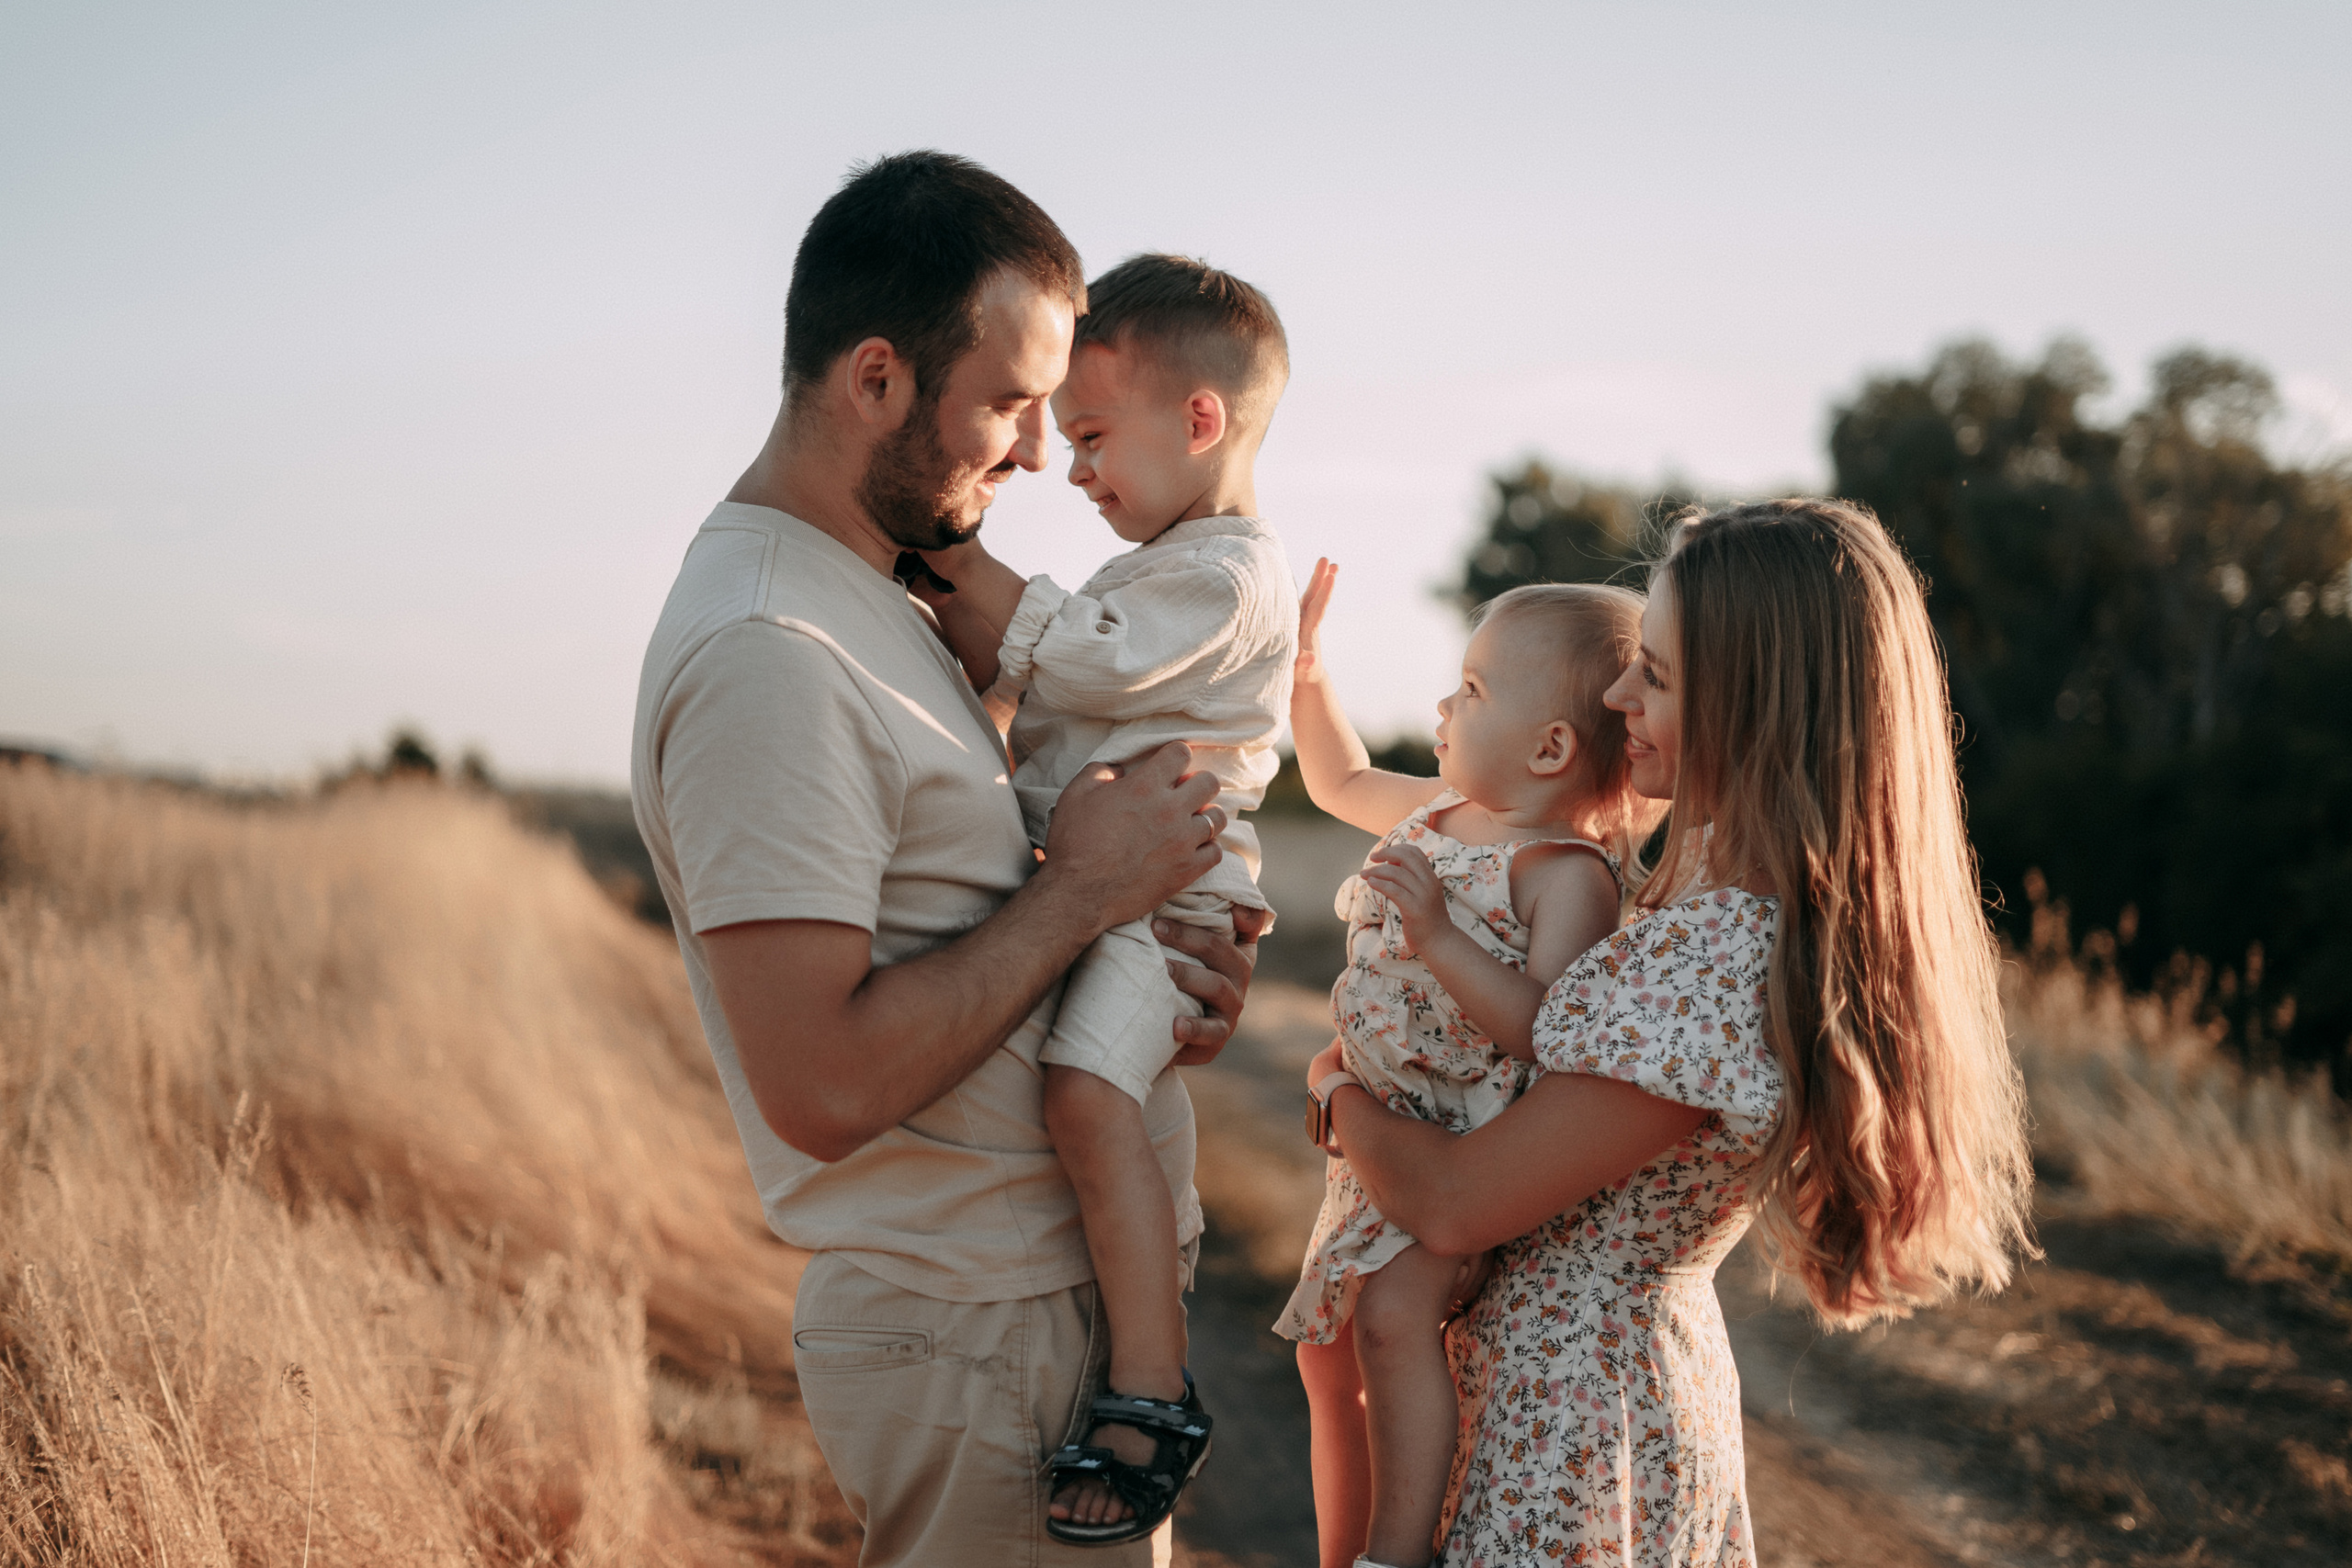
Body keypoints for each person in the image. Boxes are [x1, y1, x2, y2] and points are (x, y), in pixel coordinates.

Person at [628, 152, 1264, 1568]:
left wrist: (1150, 965)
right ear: (874, 379)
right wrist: (1083, 889)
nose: (1041, 451)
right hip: (972, 1332)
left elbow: (973, 911)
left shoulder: (881, 602)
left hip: (1030, 1314)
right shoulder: (766, 653)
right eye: (1011, 403)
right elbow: (825, 1081)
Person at [1307, 499, 2036, 1568]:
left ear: (1753, 703)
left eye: (1653, 674)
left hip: (1568, 1435)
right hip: (1562, 1405)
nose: (1614, 696)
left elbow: (1454, 1202)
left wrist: (1338, 1093)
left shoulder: (1715, 956)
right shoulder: (1685, 912)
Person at [908, 253, 1297, 1543]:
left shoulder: (1228, 574)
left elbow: (1084, 654)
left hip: (1160, 901)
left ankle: (1148, 1380)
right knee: (1075, 1087)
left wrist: (955, 554)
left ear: (1199, 419)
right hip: (1121, 892)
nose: (1071, 469)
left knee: (1084, 1092)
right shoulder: (1173, 558)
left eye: (1088, 436)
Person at [1273, 561, 1664, 1568]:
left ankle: (1395, 1552)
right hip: (1378, 1146)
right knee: (1328, 1353)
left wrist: (1441, 936)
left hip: (1466, 1142)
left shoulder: (1564, 876)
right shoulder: (1441, 808)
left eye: (1474, 690)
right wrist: (1309, 680)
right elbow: (1335, 781)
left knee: (1397, 1322)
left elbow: (1544, 1031)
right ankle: (1341, 1544)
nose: (1445, 703)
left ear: (1549, 748)